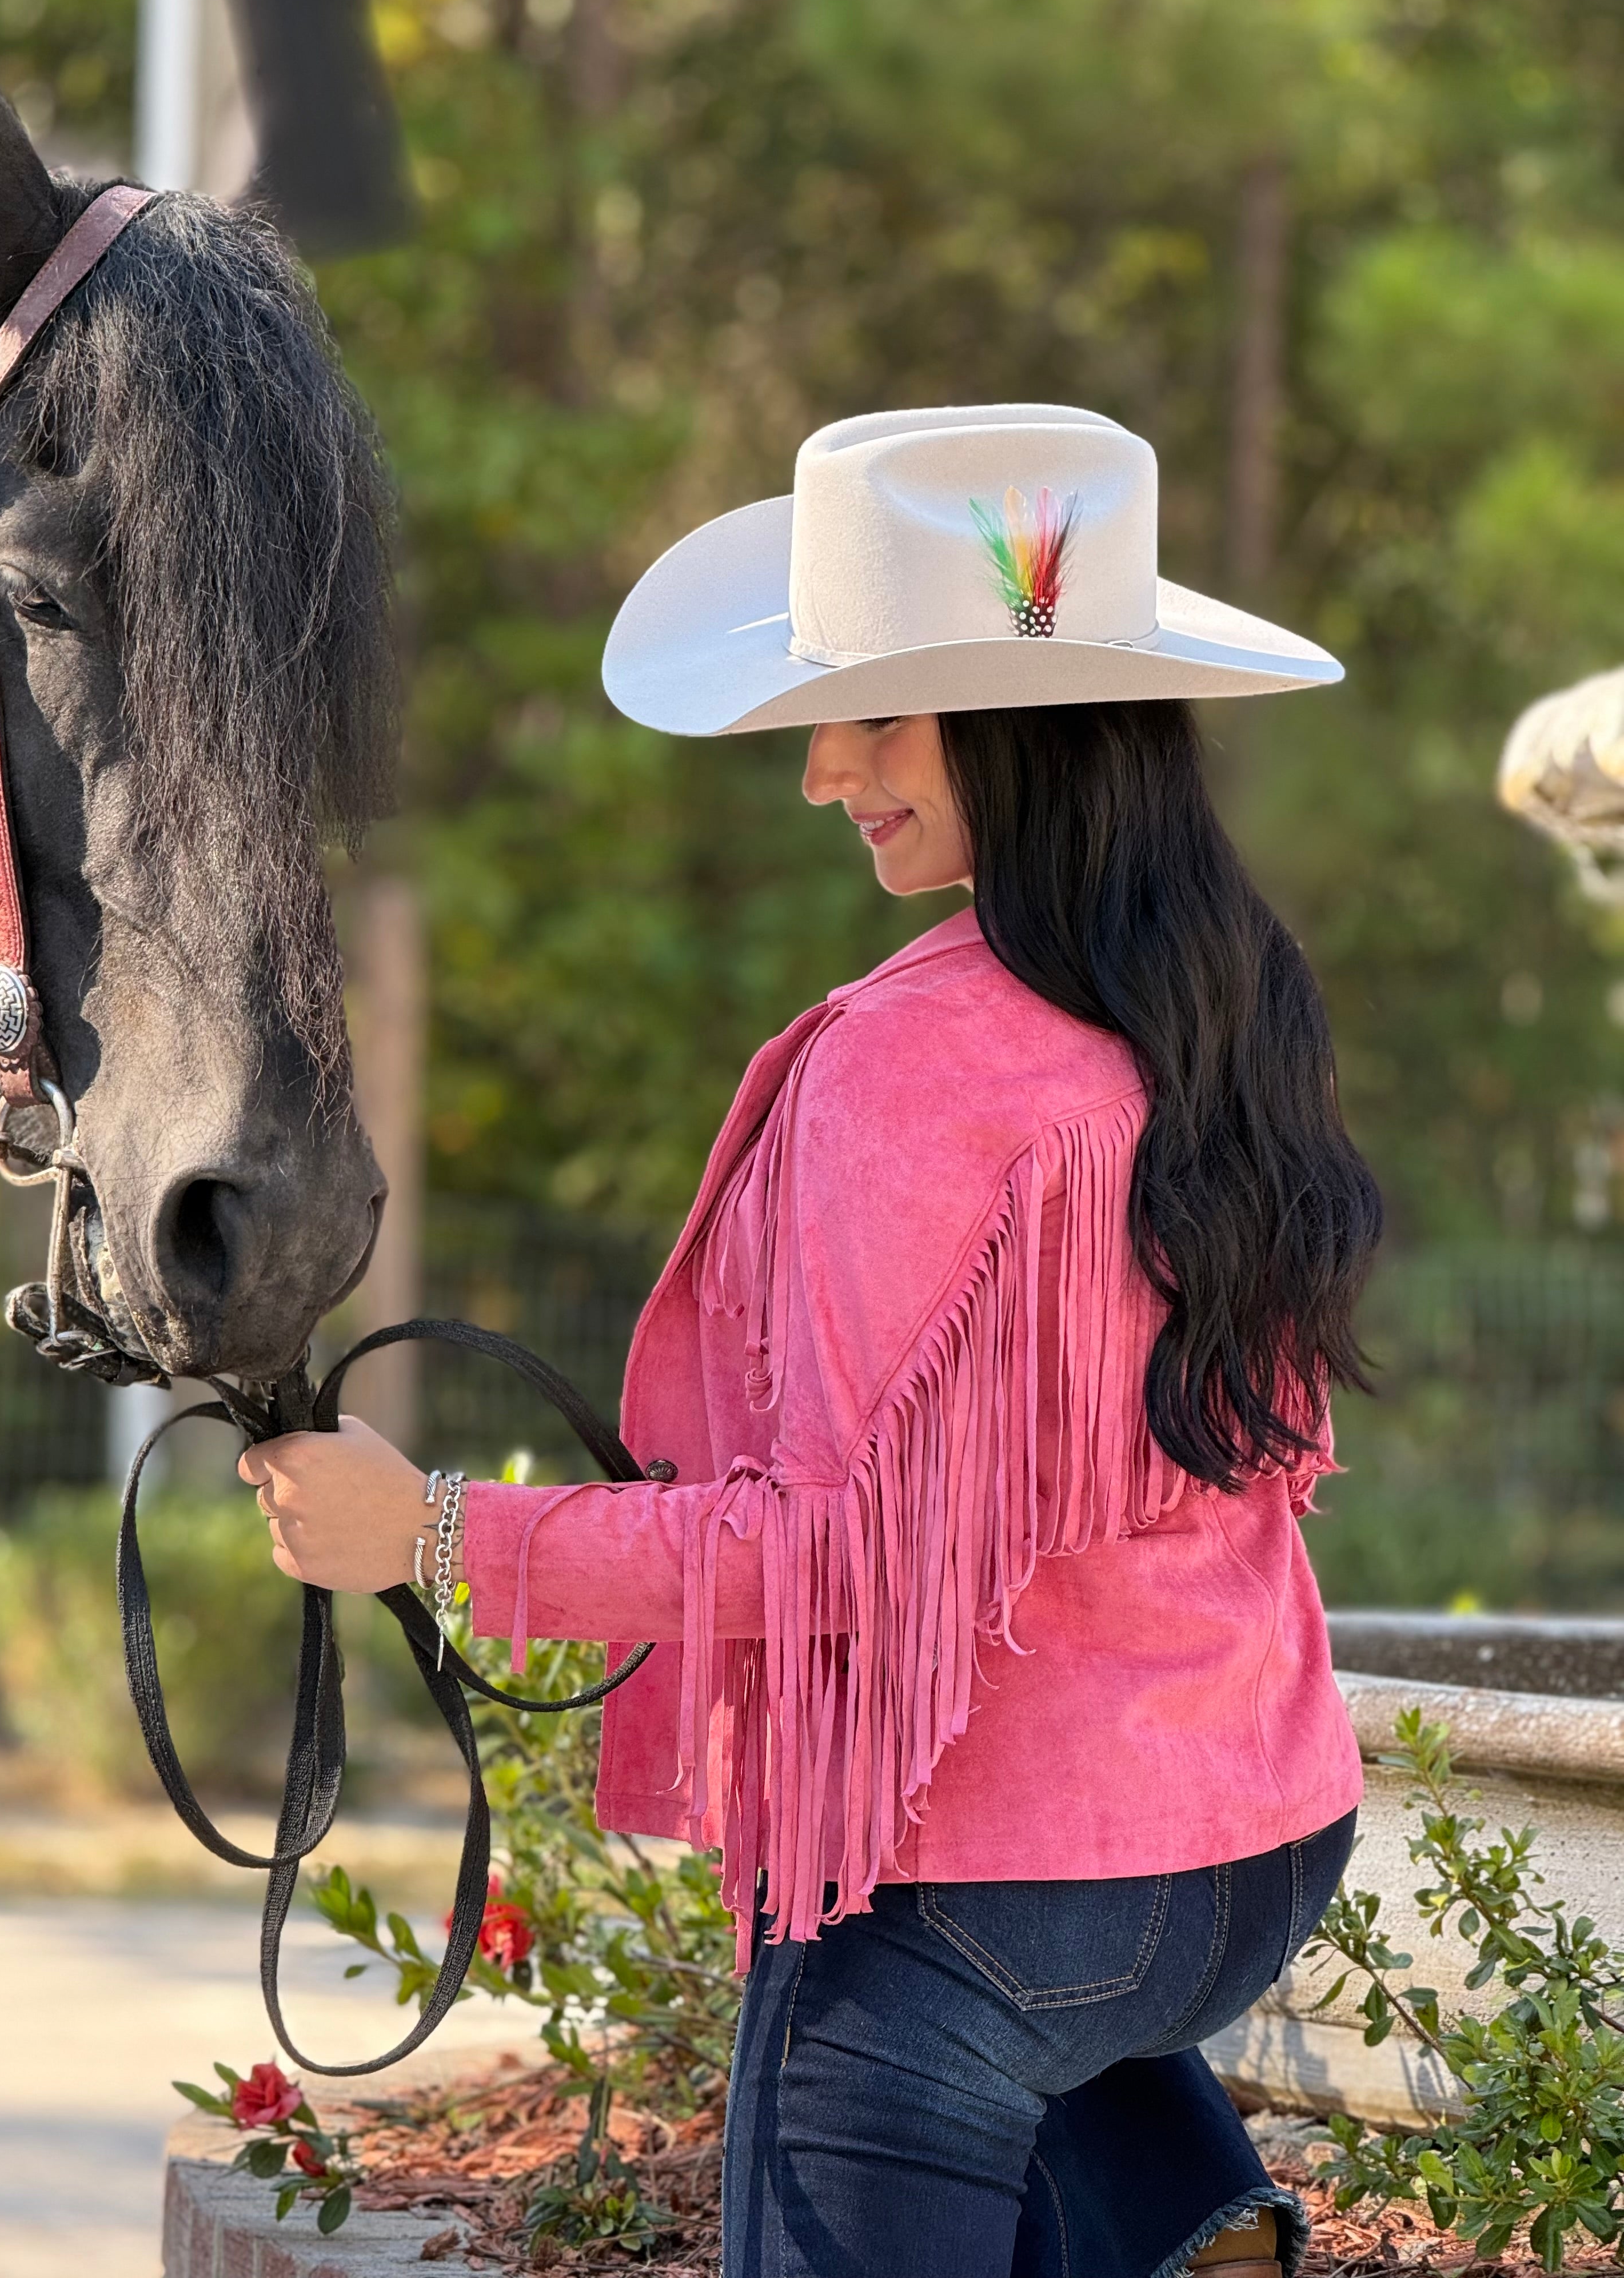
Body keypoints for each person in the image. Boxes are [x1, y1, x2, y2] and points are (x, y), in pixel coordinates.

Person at [242, 405, 1382, 2278]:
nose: (819, 772)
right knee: (1065, 2048)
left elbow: (830, 1555)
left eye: (878, 713)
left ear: (1024, 727)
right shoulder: (1215, 1000)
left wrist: (432, 1535)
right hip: (1249, 1846)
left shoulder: (916, 1060)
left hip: (991, 1895)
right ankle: (1182, 2217)